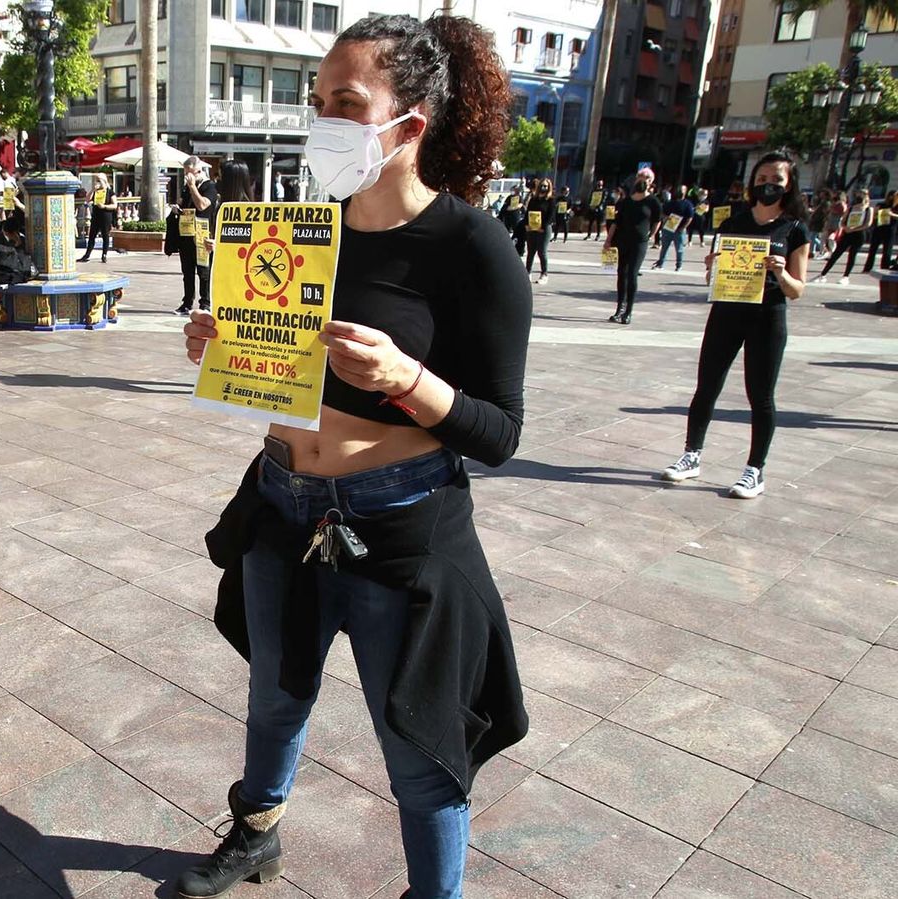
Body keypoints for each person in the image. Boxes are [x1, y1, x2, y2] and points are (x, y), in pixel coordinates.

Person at [176, 14, 529, 899]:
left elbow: (500, 432)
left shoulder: (472, 247)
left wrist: (409, 377)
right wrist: (225, 343)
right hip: (282, 507)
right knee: (274, 699)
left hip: (400, 525)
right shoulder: (302, 231)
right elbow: (277, 363)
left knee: (416, 744)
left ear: (409, 124)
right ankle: (255, 834)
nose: (323, 117)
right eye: (318, 100)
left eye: (346, 101)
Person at [660, 151, 809, 500]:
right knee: (707, 385)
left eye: (776, 180)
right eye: (762, 179)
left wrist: (780, 271)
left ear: (788, 186)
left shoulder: (795, 229)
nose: (767, 186)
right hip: (727, 312)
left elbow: (798, 288)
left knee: (760, 395)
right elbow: (714, 276)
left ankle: (755, 469)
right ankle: (691, 454)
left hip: (767, 315)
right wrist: (713, 267)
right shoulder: (733, 224)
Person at [605, 173, 664, 324]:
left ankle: (628, 312)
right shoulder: (626, 202)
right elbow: (615, 223)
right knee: (621, 274)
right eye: (640, 177)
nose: (642, 180)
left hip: (639, 243)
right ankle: (619, 309)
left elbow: (657, 221)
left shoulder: (653, 202)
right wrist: (608, 240)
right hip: (622, 241)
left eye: (646, 178)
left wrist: (650, 236)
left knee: (632, 274)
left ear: (651, 182)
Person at [172, 156, 220, 315]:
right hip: (186, 233)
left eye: (190, 174)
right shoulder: (187, 187)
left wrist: (193, 186)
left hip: (203, 235)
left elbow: (202, 205)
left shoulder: (209, 187)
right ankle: (187, 303)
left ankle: (205, 302)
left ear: (198, 171)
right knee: (187, 271)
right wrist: (177, 208)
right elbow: (183, 203)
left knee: (204, 272)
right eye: (186, 174)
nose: (187, 177)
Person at [816, 188, 872, 284]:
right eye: (859, 194)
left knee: (852, 255)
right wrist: (845, 227)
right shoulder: (851, 208)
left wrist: (854, 229)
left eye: (863, 195)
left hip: (859, 234)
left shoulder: (868, 209)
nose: (860, 197)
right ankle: (823, 274)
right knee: (837, 253)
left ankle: (846, 276)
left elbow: (868, 224)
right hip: (847, 232)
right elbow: (842, 220)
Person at [652, 185, 695, 269]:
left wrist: (683, 227)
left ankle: (679, 265)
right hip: (668, 228)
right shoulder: (670, 203)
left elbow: (690, 218)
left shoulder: (688, 204)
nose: (680, 191)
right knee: (664, 248)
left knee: (679, 249)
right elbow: (663, 213)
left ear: (685, 192)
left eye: (682, 190)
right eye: (678, 190)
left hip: (679, 230)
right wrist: (665, 218)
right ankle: (661, 263)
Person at [78, 172, 117, 263]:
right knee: (92, 235)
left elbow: (115, 205)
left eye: (99, 181)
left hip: (106, 215)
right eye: (96, 181)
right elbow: (87, 200)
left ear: (104, 181)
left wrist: (104, 206)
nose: (97, 183)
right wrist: (92, 190)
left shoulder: (110, 192)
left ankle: (104, 254)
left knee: (105, 235)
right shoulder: (96, 192)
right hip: (96, 215)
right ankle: (87, 255)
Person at [523, 177, 554, 283]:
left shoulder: (550, 201)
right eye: (542, 185)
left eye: (545, 186)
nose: (543, 187)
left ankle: (544, 274)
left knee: (542, 251)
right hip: (532, 228)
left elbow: (551, 216)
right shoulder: (533, 199)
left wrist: (543, 227)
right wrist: (526, 225)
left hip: (544, 229)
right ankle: (528, 273)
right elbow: (528, 213)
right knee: (530, 252)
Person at [863, 192, 896, 272]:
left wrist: (892, 214)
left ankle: (884, 267)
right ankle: (868, 267)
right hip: (879, 228)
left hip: (890, 229)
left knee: (887, 250)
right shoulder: (881, 204)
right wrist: (876, 214)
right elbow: (874, 214)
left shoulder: (896, 206)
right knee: (873, 249)